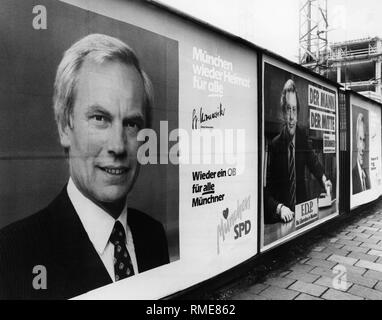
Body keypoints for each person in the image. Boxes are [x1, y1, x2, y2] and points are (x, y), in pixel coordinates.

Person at [0, 34, 169, 299]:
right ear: (65, 128)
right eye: (100, 118)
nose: (118, 145)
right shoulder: (12, 254)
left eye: (131, 124)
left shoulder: (153, 234)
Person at [265, 79, 332, 224]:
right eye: (288, 109)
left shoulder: (302, 138)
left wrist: (324, 180)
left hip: (302, 213)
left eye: (294, 110)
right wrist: (279, 208)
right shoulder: (274, 145)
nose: (291, 117)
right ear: (283, 112)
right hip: (282, 218)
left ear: (298, 112)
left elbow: (314, 164)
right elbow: (266, 191)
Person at [352, 113, 370, 194]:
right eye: (360, 139)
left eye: (364, 140)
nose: (363, 148)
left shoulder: (367, 176)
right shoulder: (351, 176)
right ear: (356, 141)